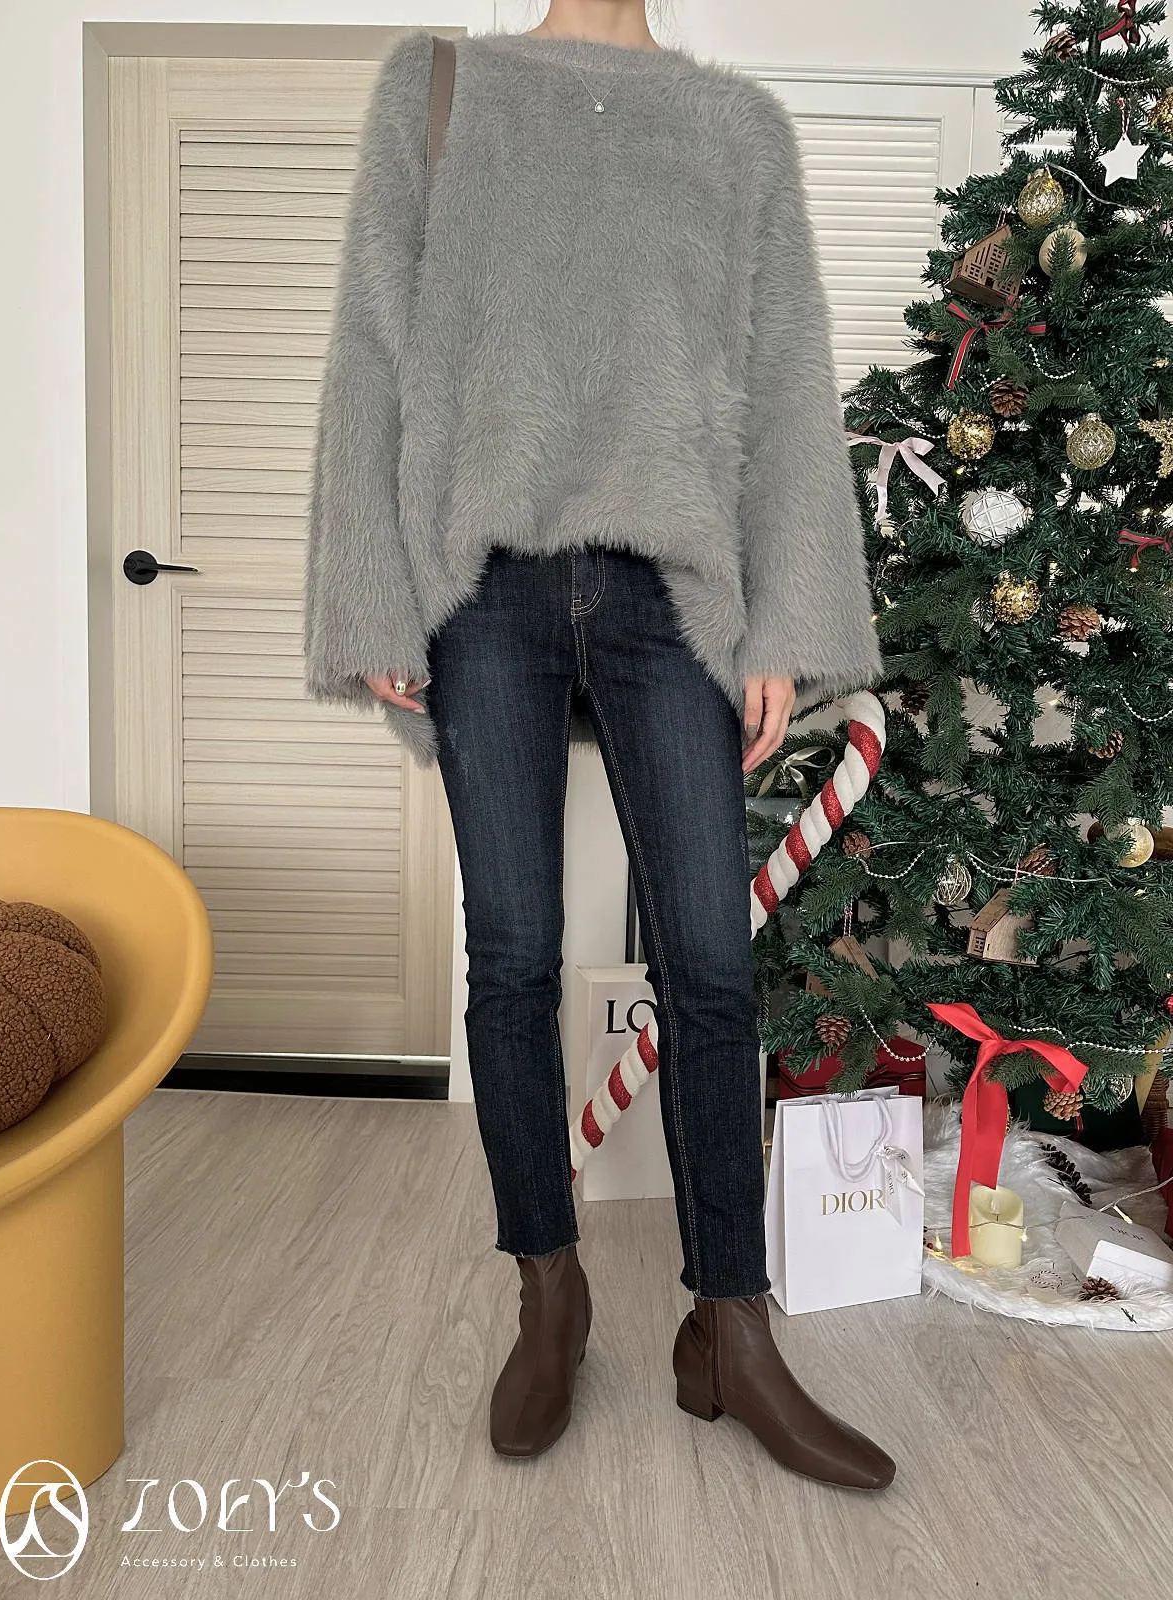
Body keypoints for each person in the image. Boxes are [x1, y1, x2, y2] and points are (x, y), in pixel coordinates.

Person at [302, 0, 892, 1490]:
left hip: (667, 592)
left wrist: (782, 626)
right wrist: (371, 589)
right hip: (484, 591)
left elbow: (785, 388)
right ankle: (548, 1291)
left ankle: (730, 1326)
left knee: (709, 959)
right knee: (511, 952)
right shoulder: (442, 89)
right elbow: (374, 347)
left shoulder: (734, 130)